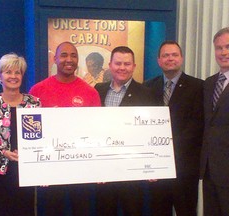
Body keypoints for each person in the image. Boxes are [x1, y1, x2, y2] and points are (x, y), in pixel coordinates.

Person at [29, 41, 101, 215]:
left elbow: (98, 132)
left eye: (73, 55)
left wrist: (99, 167)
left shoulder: (90, 92)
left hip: (82, 170)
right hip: (50, 171)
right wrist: (37, 169)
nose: (69, 59)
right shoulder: (37, 91)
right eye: (64, 55)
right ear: (55, 59)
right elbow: (31, 133)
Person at [94, 46, 156, 216]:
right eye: (118, 63)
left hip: (132, 172)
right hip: (104, 171)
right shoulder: (97, 90)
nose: (122, 67)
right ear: (110, 65)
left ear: (134, 66)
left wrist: (155, 166)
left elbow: (153, 132)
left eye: (127, 64)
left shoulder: (147, 94)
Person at [144, 41, 204, 216]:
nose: (170, 58)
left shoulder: (198, 87)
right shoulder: (147, 87)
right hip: (156, 169)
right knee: (158, 210)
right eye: (165, 55)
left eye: (174, 55)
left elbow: (197, 125)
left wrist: (167, 147)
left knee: (186, 211)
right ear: (159, 60)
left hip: (184, 168)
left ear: (181, 58)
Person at [0, 53, 41, 216]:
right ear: (0, 76)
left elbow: (40, 137)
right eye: (8, 72)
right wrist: (2, 153)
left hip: (24, 170)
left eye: (17, 72)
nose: (13, 76)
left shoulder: (34, 103)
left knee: (23, 211)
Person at [200, 27, 229, 216]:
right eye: (219, 48)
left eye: (228, 47)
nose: (223, 52)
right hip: (209, 169)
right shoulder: (209, 83)